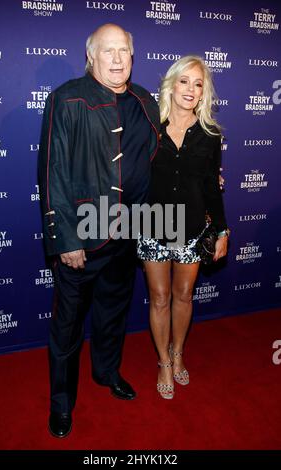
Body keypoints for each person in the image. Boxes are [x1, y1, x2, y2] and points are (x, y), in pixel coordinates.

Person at [38, 23, 159, 437]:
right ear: (90, 56)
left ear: (133, 54)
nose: (116, 59)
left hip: (127, 236)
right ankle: (62, 403)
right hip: (83, 241)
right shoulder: (66, 98)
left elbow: (155, 163)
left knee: (112, 316)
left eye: (123, 50)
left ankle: (107, 374)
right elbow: (53, 173)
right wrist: (66, 239)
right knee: (68, 327)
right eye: (107, 51)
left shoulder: (145, 101)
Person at [137, 56, 229, 399]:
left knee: (183, 296)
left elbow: (210, 186)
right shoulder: (149, 126)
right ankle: (162, 360)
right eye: (184, 81)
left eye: (199, 84)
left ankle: (178, 354)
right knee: (159, 297)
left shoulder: (209, 135)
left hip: (190, 227)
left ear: (204, 93)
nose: (191, 89)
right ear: (171, 85)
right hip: (152, 224)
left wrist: (221, 230)